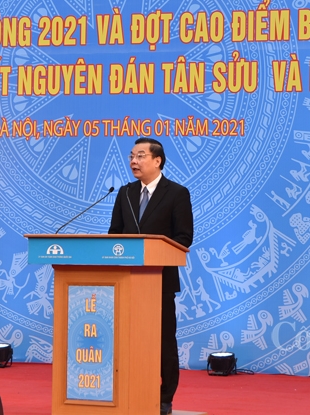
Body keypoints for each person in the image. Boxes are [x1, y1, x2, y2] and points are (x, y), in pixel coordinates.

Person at [109, 137, 193, 415]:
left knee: (163, 341)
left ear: (157, 161)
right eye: (132, 156)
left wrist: (153, 250)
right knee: (128, 340)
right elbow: (114, 234)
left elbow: (184, 237)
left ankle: (164, 397)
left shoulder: (177, 193)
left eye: (140, 156)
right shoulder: (125, 193)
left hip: (160, 281)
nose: (134, 161)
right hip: (126, 281)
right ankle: (130, 390)